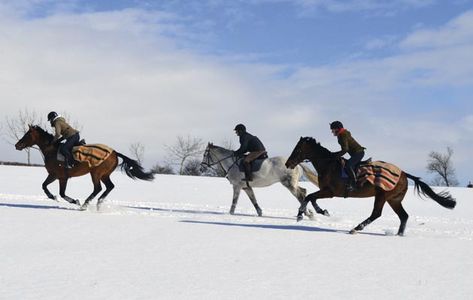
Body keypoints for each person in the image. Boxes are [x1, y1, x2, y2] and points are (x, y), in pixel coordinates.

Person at [330, 121, 365, 191]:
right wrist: (336, 154)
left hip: (359, 153)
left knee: (348, 166)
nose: (332, 132)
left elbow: (345, 149)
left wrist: (336, 155)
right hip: (356, 153)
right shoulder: (341, 134)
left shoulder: (343, 135)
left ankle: (353, 184)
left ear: (337, 129)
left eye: (333, 129)